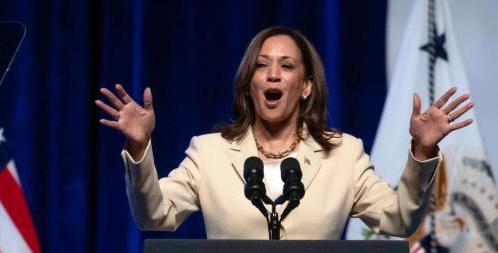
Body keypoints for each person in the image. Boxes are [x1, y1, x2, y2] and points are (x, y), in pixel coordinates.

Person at [95, 26, 473, 239]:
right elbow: (154, 215)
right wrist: (139, 145)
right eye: (262, 66)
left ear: (306, 86)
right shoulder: (209, 153)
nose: (273, 74)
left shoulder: (344, 155)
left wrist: (422, 153)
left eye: (286, 66)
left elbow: (399, 220)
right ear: (250, 83)